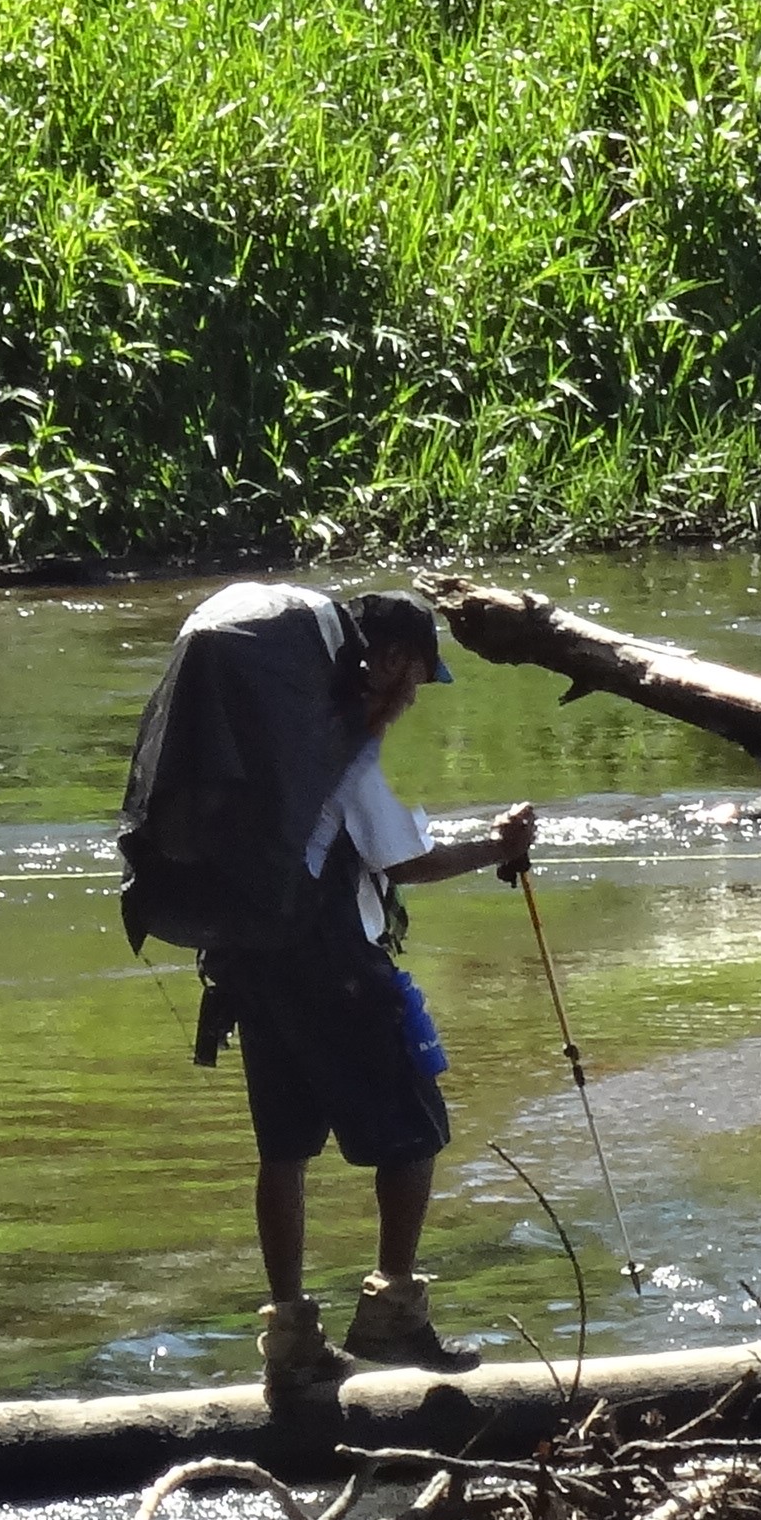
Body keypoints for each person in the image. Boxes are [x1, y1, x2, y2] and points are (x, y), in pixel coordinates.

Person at [126, 586, 531, 1403]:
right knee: (415, 1129)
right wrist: (497, 846)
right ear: (379, 661)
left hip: (253, 965)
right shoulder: (344, 750)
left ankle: (291, 1340)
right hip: (331, 965)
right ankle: (393, 1311)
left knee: (284, 1148)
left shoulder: (279, 751)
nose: (414, 696)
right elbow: (404, 862)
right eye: (413, 676)